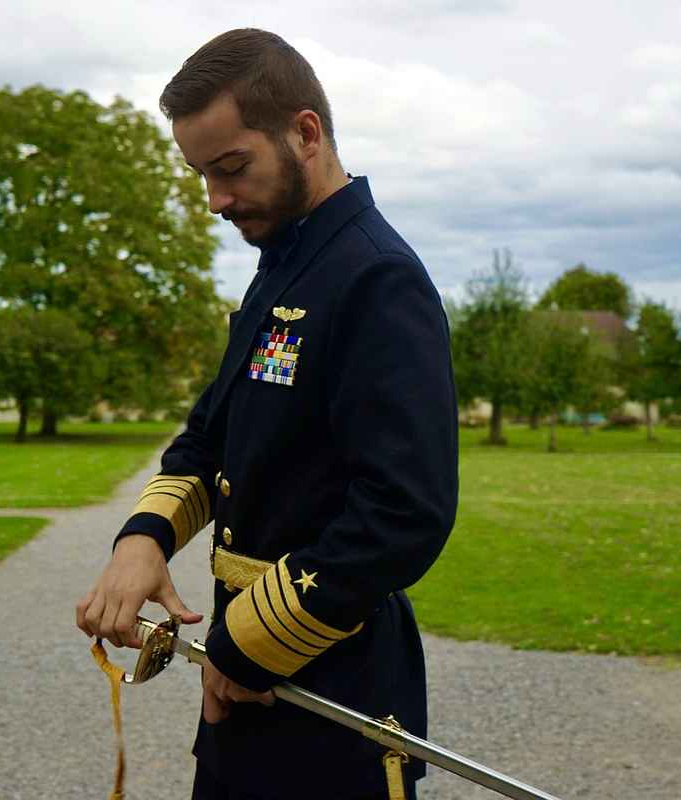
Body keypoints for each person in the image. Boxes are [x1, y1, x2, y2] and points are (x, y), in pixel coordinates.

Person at [76, 28, 458, 800]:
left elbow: (403, 511)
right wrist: (143, 540)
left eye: (231, 168)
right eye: (201, 175)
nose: (215, 200)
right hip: (247, 697)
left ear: (305, 133)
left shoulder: (377, 278)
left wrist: (244, 645)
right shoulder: (283, 268)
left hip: (331, 705)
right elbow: (212, 435)